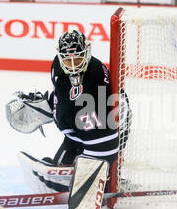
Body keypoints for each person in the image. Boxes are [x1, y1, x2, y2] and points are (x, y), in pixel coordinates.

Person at [9, 30, 120, 192]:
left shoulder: (95, 78)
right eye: (68, 61)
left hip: (98, 137)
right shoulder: (57, 66)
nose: (74, 65)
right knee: (55, 177)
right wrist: (47, 107)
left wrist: (95, 170)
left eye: (78, 58)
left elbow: (103, 135)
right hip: (75, 137)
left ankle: (112, 177)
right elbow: (63, 97)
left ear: (87, 53)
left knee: (72, 183)